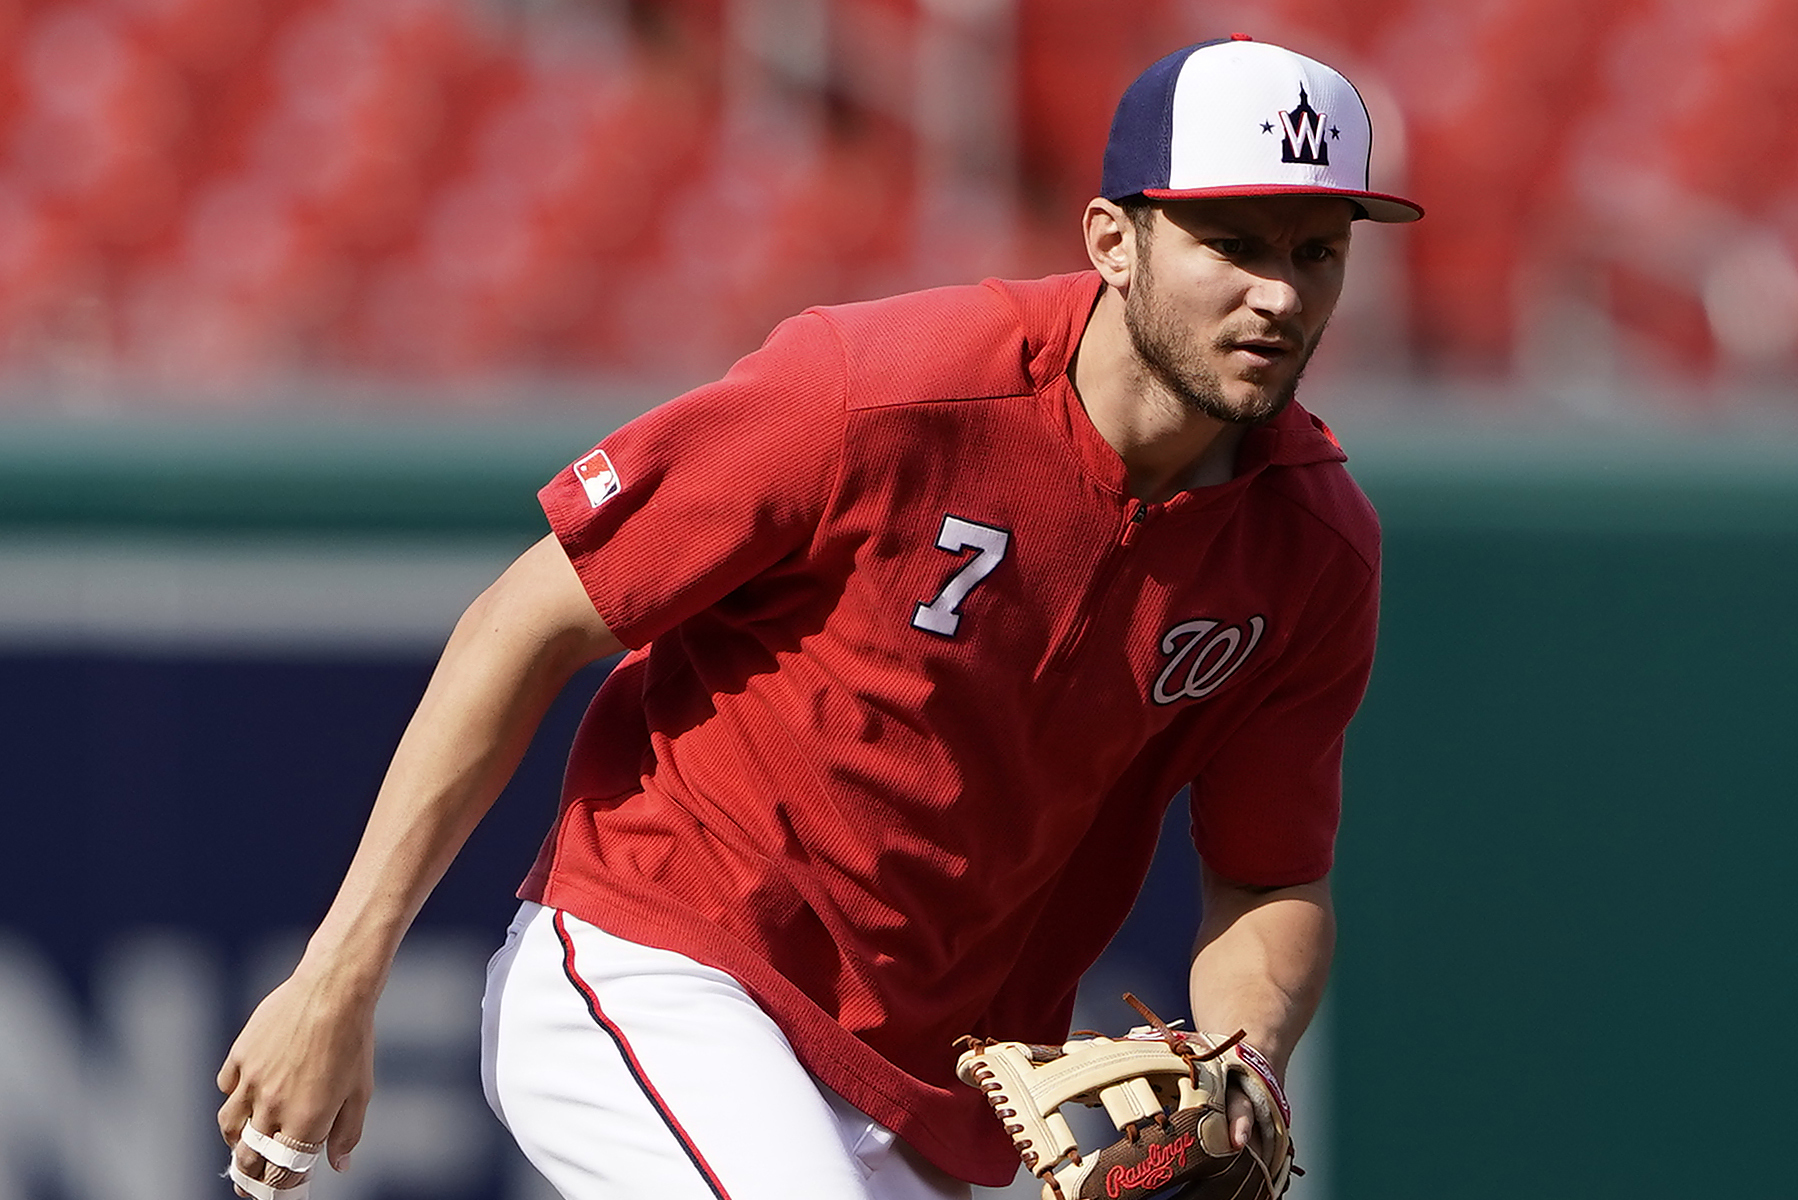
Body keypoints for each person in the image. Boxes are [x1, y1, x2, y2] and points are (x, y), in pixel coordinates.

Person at [216, 34, 1422, 1200]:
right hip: (670, 966)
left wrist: (1247, 1061)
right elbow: (522, 622)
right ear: (1113, 238)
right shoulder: (883, 389)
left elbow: (1267, 882)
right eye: (1231, 242)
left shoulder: (1311, 549)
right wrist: (337, 976)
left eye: (1316, 251)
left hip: (923, 1093)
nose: (1278, 292)